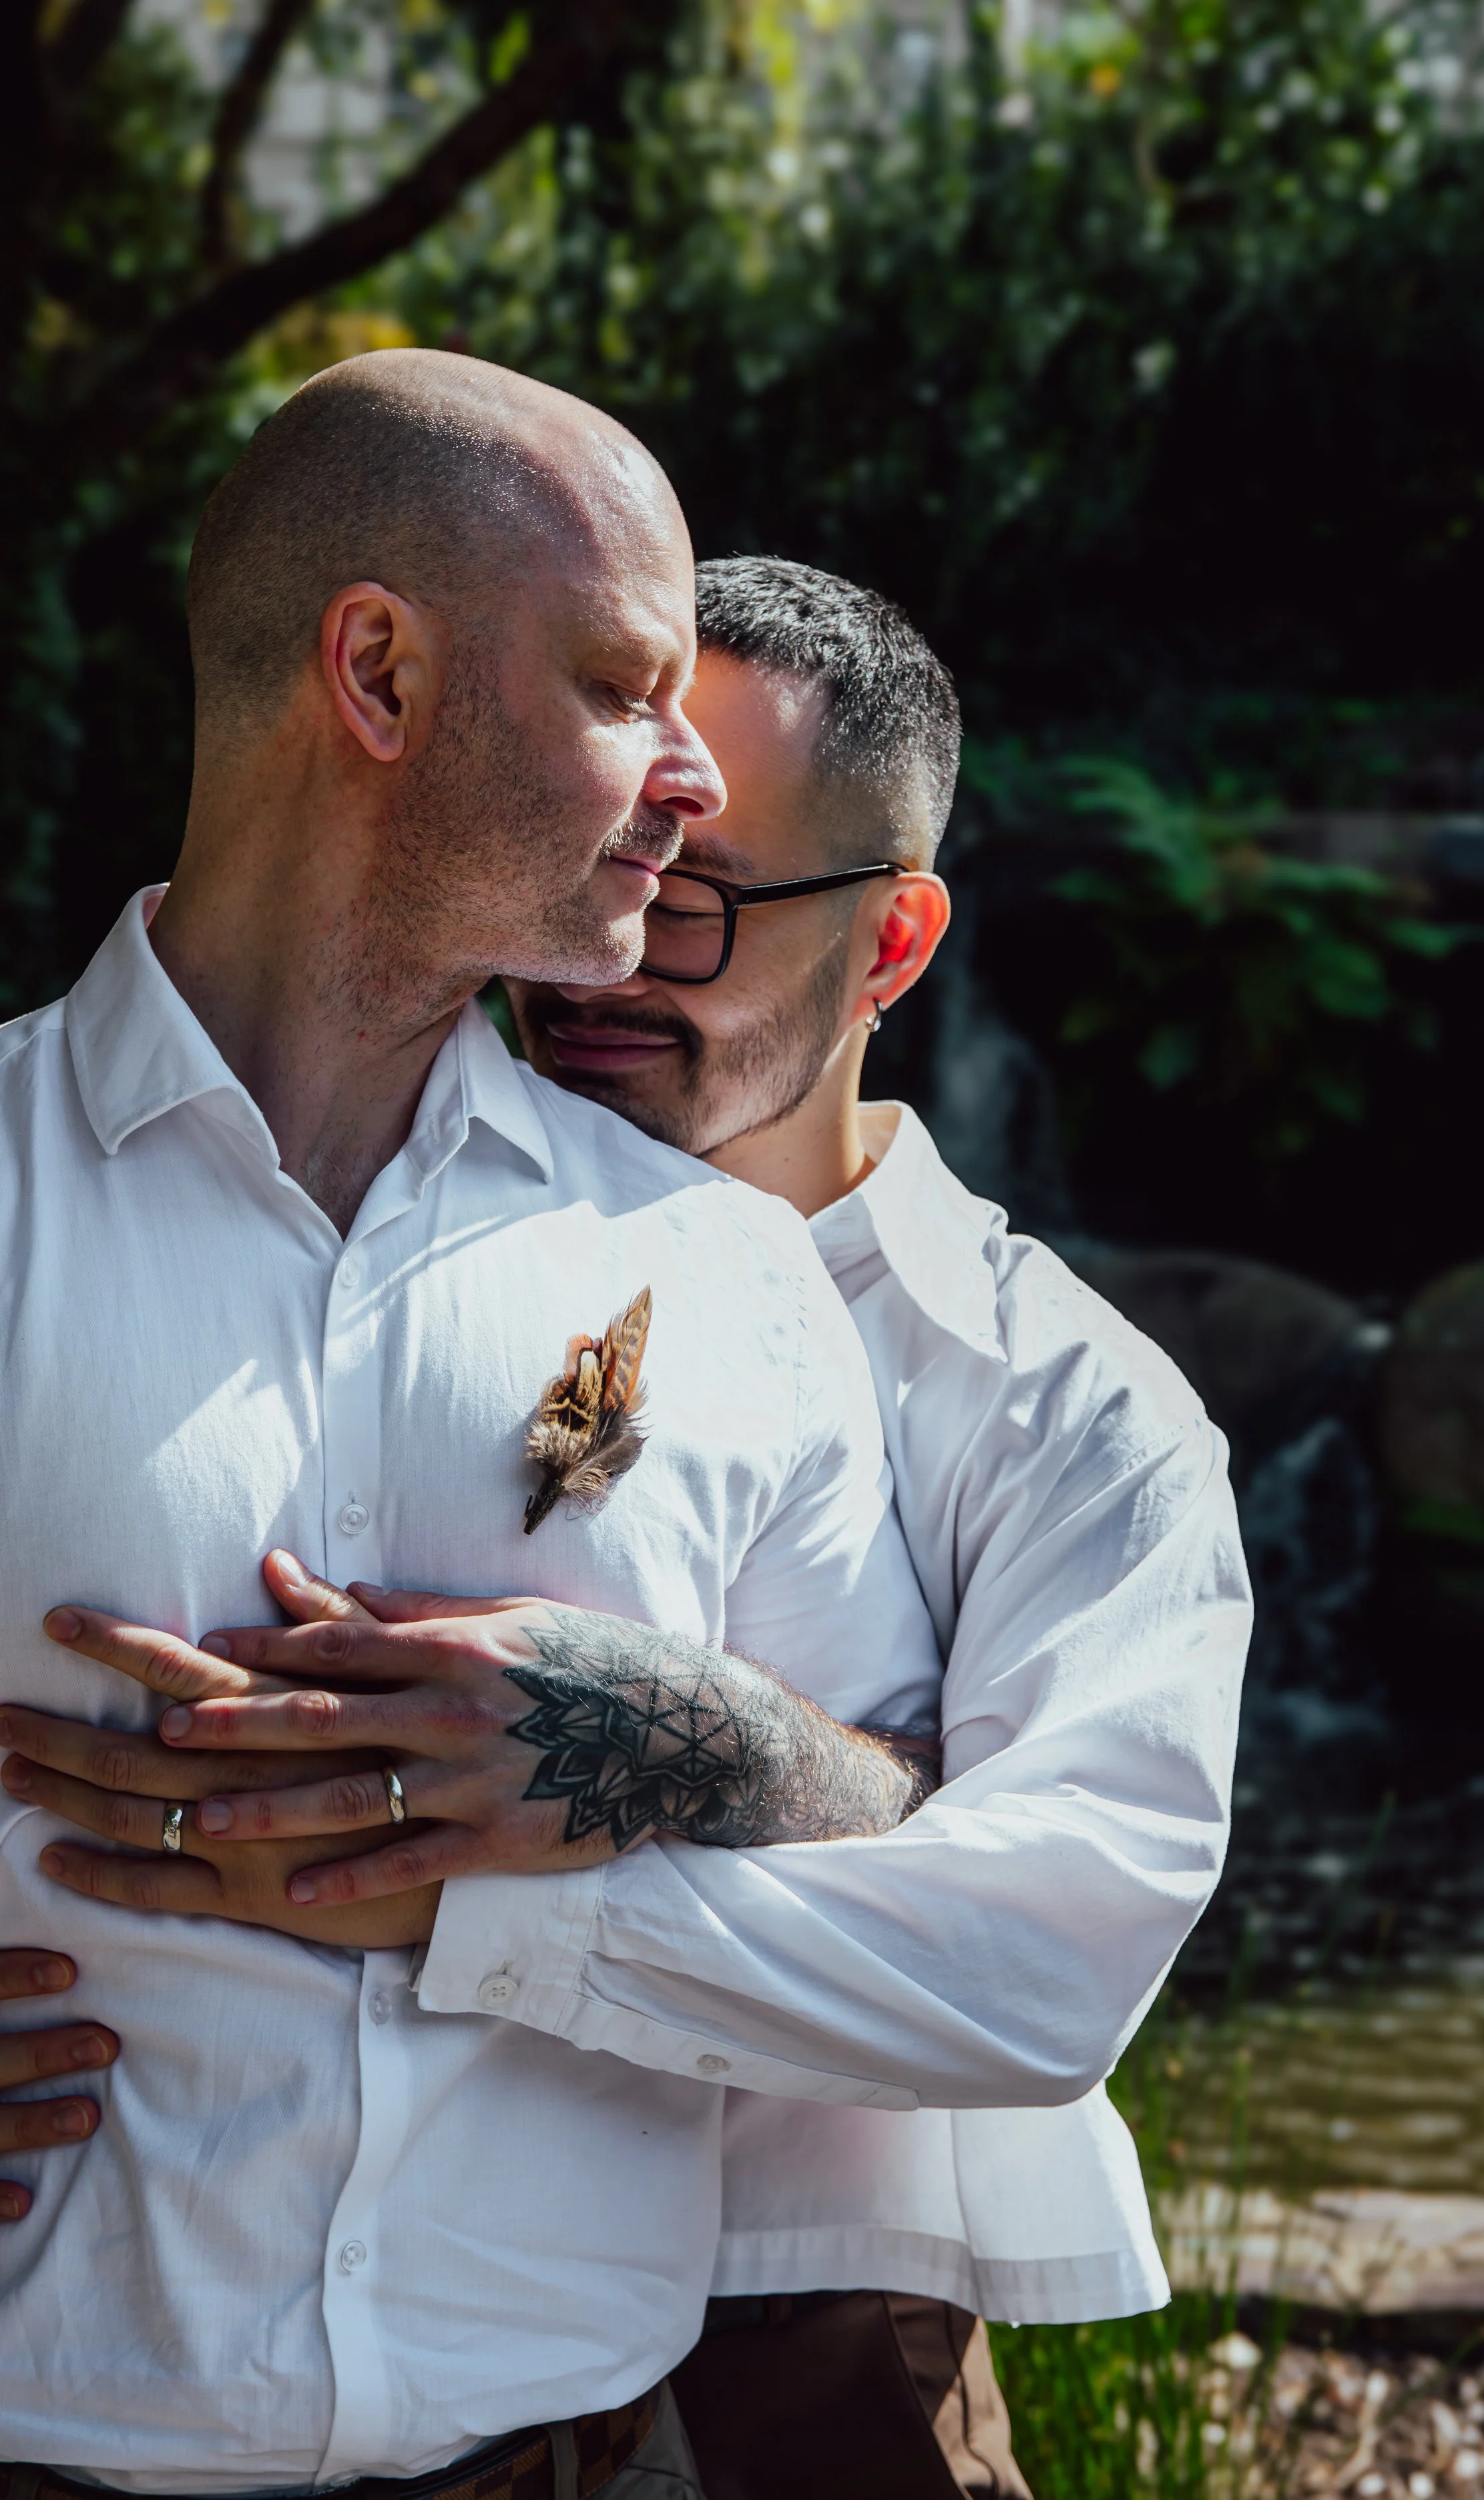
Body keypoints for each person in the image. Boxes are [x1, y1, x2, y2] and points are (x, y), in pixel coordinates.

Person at [5, 558, 1254, 2497]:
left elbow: (1047, 1944)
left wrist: (489, 1885)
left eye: (693, 908)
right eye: (595, 864)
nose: (601, 961)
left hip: (822, 2310)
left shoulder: (1074, 1409)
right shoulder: (269, 1197)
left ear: (896, 945)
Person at [0, 351, 951, 2499]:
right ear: (378, 671)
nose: (693, 777)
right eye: (628, 681)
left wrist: (710, 1739)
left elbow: (922, 1843)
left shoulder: (722, 1275)